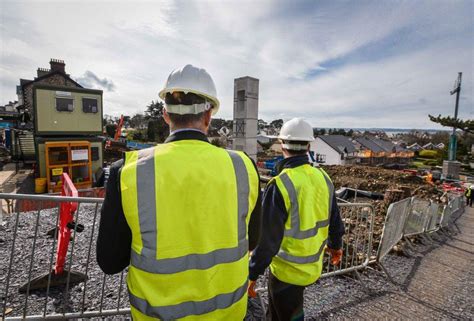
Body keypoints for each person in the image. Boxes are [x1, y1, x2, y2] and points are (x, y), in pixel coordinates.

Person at [96, 64, 261, 320]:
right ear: (208, 117)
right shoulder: (243, 167)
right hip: (227, 313)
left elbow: (110, 262)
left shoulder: (128, 171)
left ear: (165, 115)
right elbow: (254, 239)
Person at [248, 118, 345, 321]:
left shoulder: (281, 184)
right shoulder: (323, 177)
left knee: (288, 316)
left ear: (282, 145)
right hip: (312, 267)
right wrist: (336, 246)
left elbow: (268, 241)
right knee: (277, 313)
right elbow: (335, 219)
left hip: (286, 272)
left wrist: (252, 274)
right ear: (308, 146)